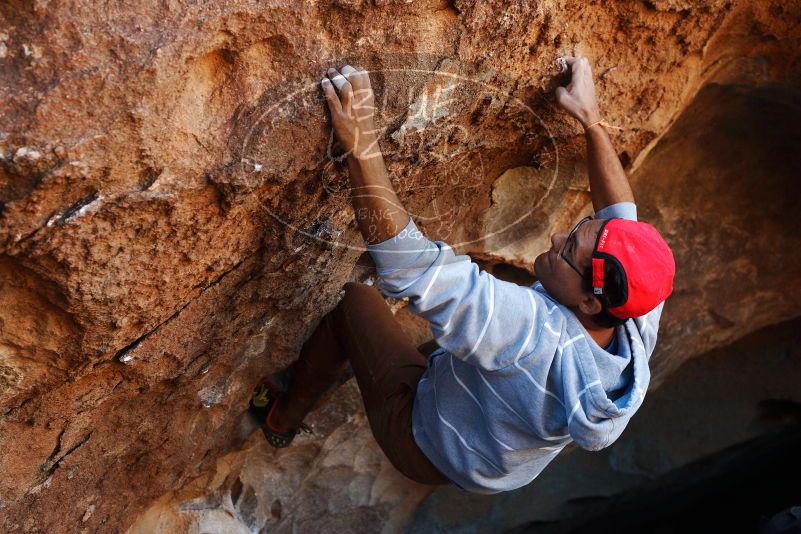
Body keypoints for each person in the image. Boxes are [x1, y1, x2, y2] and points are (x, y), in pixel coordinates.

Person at [248, 57, 676, 493]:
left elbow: (407, 265)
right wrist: (591, 121)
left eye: (567, 250)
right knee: (452, 333)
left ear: (589, 303)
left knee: (357, 302)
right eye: (575, 231)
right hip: (494, 454)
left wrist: (361, 145)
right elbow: (621, 215)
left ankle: (284, 416)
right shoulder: (635, 308)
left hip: (425, 444)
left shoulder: (529, 334)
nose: (556, 237)